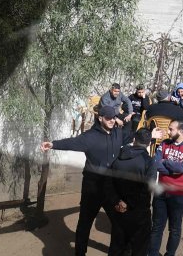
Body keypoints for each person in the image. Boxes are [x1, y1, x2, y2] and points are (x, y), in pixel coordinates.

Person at [41, 102, 130, 256]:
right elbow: (71, 142)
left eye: (114, 118)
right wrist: (53, 144)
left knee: (119, 222)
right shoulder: (90, 137)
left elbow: (132, 136)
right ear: (100, 118)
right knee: (84, 224)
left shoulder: (118, 133)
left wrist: (150, 134)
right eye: (108, 118)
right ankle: (80, 253)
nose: (112, 120)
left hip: (112, 189)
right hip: (92, 189)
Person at [103, 127, 160, 256]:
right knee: (139, 248)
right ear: (149, 143)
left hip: (119, 210)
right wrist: (129, 203)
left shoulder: (118, 156)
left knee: (117, 245)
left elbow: (108, 182)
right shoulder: (149, 161)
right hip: (139, 212)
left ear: (134, 140)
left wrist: (117, 201)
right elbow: (147, 188)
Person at [150, 119, 183, 256]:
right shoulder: (164, 143)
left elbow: (182, 167)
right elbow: (155, 163)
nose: (168, 132)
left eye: (171, 129)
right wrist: (172, 169)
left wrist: (165, 161)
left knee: (174, 228)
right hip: (161, 192)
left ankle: (169, 254)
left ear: (180, 131)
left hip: (179, 194)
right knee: (157, 227)